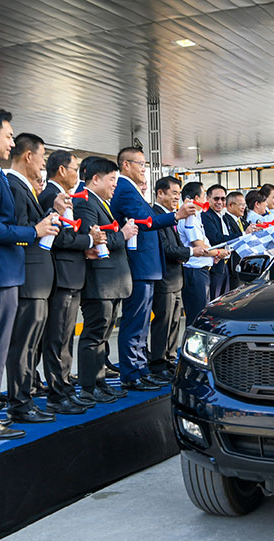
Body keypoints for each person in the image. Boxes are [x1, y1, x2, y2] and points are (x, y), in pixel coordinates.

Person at [0, 109, 58, 441]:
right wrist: (33, 231)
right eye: (8, 136)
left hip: (5, 272)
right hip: (0, 273)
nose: (11, 143)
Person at [109, 146, 199, 390]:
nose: (143, 169)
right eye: (140, 164)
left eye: (145, 165)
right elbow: (147, 221)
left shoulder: (132, 190)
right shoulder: (125, 189)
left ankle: (140, 369)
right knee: (135, 322)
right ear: (125, 165)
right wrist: (176, 216)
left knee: (141, 324)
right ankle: (131, 373)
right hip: (139, 266)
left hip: (147, 267)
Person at [4, 133, 64, 424]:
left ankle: (25, 396)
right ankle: (19, 402)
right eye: (41, 157)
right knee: (23, 345)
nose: (43, 164)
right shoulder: (14, 187)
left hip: (37, 280)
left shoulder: (23, 187)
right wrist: (40, 227)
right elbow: (22, 230)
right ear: (28, 156)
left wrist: (53, 214)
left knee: (30, 344)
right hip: (28, 279)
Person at [39, 152, 104, 414]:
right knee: (57, 340)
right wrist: (88, 241)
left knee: (64, 339)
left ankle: (65, 389)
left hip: (72, 274)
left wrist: (86, 244)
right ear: (62, 170)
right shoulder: (51, 196)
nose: (78, 175)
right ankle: (57, 394)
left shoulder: (61, 195)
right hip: (61, 276)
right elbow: (60, 238)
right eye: (75, 169)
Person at [74, 158, 138, 403]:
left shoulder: (101, 203)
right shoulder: (85, 203)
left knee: (102, 335)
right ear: (95, 179)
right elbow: (95, 240)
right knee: (94, 335)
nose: (114, 185)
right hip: (99, 282)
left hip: (111, 282)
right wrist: (123, 234)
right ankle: (88, 387)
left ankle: (99, 382)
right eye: (112, 179)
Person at [149, 177, 203, 378]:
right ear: (160, 193)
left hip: (176, 278)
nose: (176, 198)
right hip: (165, 279)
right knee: (163, 323)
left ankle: (170, 359)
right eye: (173, 193)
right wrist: (190, 252)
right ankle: (158, 364)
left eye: (178, 194)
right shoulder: (156, 216)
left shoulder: (171, 217)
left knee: (173, 323)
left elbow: (176, 245)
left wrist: (184, 254)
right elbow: (165, 248)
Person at [180, 181, 230, 326]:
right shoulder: (189, 218)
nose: (205, 200)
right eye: (204, 195)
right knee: (197, 316)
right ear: (197, 198)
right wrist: (218, 252)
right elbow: (200, 246)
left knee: (202, 314)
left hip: (201, 271)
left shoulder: (196, 217)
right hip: (195, 272)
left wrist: (215, 254)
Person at [202, 184, 234, 299]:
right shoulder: (206, 216)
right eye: (216, 199)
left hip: (224, 264)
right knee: (214, 300)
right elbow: (216, 238)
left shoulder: (223, 217)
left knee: (223, 300)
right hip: (214, 265)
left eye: (223, 199)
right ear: (207, 199)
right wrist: (242, 235)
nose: (220, 202)